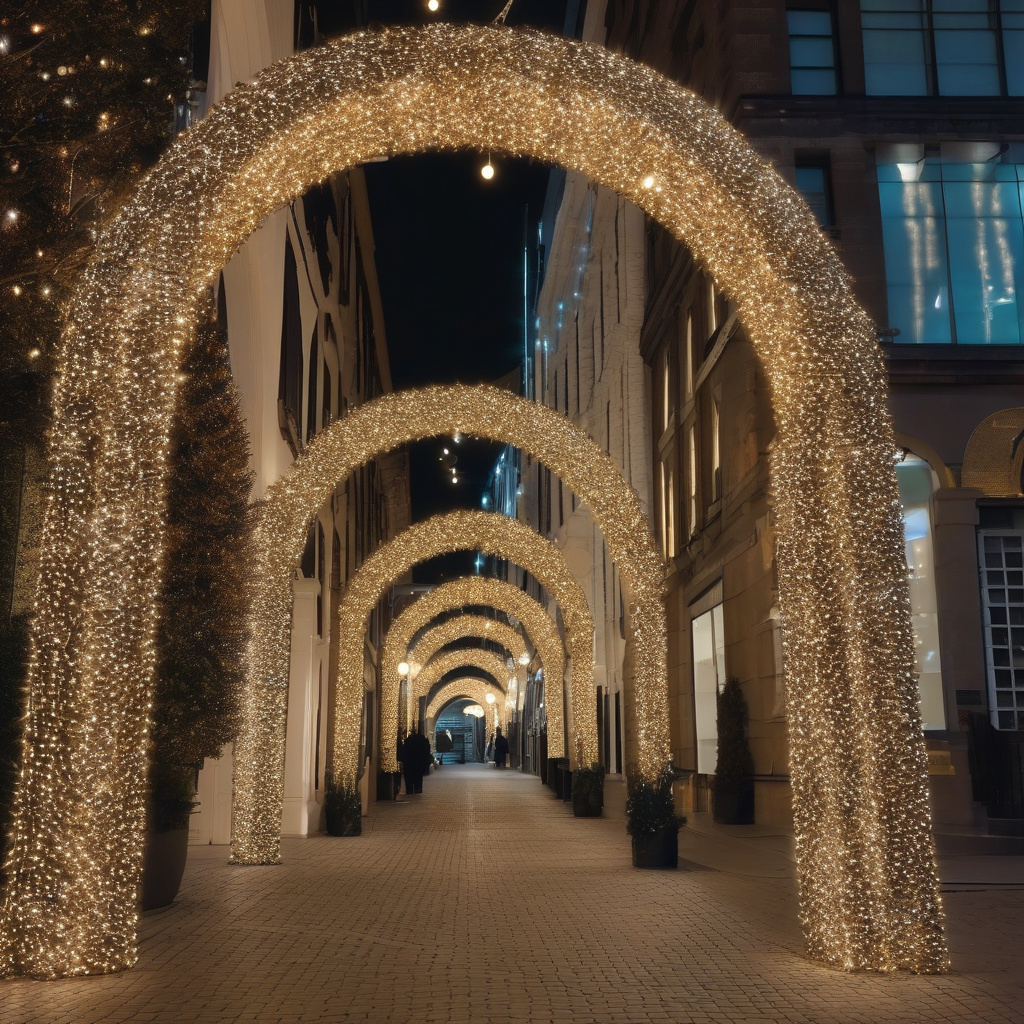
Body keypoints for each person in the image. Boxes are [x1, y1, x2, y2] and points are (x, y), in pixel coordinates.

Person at [402, 726, 424, 795]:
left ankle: (409, 789)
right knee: (418, 776)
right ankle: (418, 788)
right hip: (418, 762)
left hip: (409, 762)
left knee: (409, 776)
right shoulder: (422, 741)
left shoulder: (407, 741)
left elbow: (404, 752)